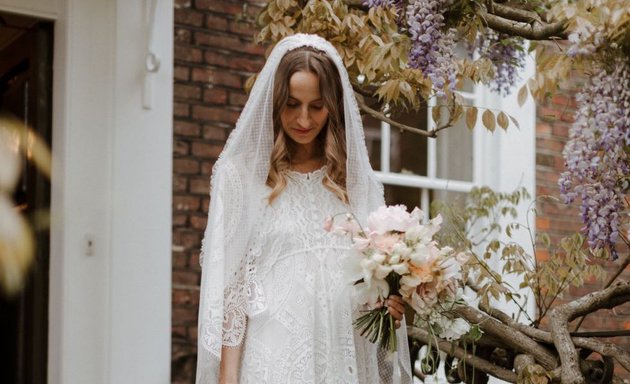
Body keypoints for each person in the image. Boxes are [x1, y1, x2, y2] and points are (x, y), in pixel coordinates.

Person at [196, 33, 413, 384]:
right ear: (276, 100)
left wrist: (387, 305)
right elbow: (232, 296)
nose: (303, 119)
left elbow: (371, 283)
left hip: (344, 354)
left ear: (332, 105)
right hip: (274, 358)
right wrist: (227, 379)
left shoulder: (353, 180)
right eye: (292, 104)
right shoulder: (241, 176)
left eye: (316, 105)